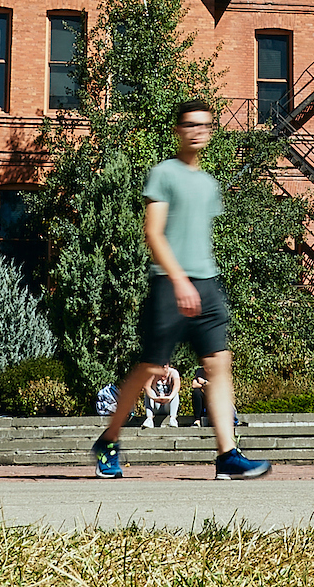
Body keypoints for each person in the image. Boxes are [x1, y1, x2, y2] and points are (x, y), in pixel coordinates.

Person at [91, 100, 270, 480]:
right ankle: (109, 440)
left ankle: (228, 455)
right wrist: (179, 280)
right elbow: (153, 233)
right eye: (190, 124)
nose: (198, 130)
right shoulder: (163, 174)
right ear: (178, 130)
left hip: (206, 285)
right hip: (169, 285)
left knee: (219, 365)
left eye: (205, 124)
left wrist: (202, 284)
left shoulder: (209, 183)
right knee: (150, 368)